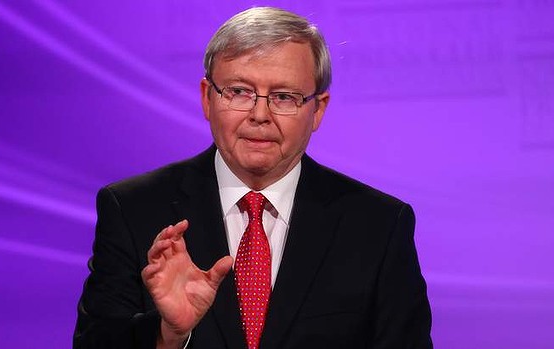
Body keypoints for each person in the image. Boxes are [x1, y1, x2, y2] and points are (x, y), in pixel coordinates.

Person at [74, 6, 432, 349]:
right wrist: (168, 334)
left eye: (284, 97)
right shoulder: (133, 210)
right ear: (206, 98)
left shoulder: (378, 225)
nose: (259, 114)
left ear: (317, 109)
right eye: (240, 92)